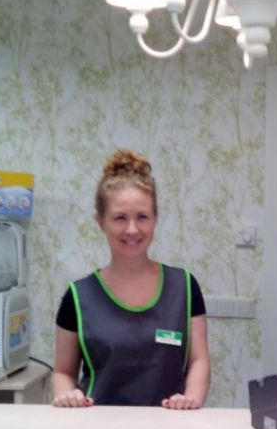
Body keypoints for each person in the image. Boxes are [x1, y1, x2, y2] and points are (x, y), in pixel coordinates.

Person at [52, 149, 211, 409]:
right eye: (120, 218)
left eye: (142, 217)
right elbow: (63, 372)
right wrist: (68, 396)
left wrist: (191, 400)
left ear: (155, 219)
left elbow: (199, 361)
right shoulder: (78, 297)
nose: (132, 229)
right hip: (97, 428)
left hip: (172, 426)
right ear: (101, 222)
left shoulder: (184, 287)